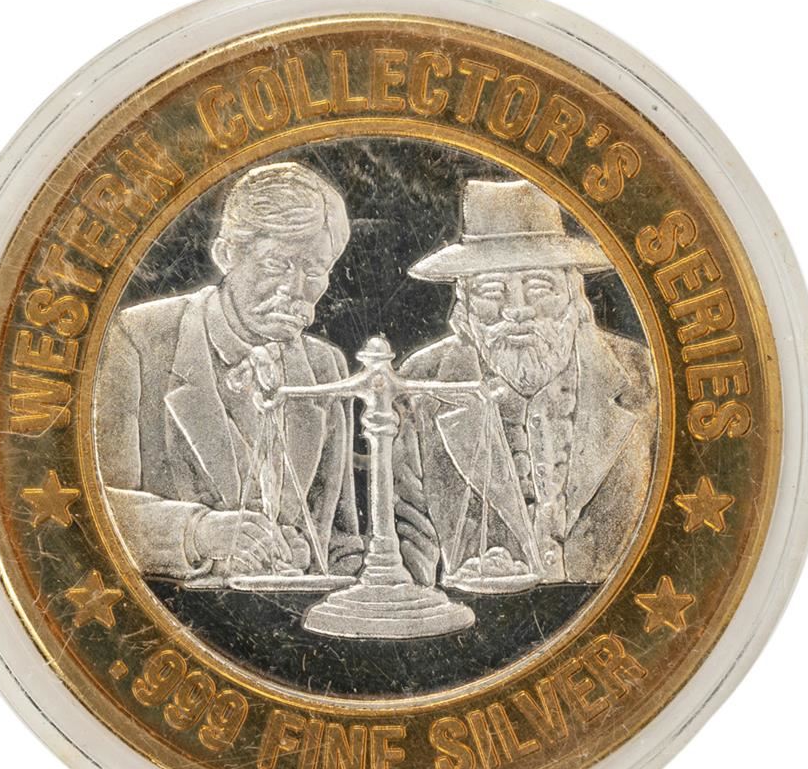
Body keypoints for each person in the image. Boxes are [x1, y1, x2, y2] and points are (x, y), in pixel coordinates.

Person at [95, 162, 363, 582]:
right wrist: (198, 533)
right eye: (276, 265)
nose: (294, 289)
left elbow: (342, 541)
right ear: (226, 255)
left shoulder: (324, 366)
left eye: (314, 270)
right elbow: (93, 502)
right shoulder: (140, 338)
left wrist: (312, 556)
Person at [394, 179, 655, 586]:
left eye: (538, 287)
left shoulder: (641, 374)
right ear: (464, 307)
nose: (516, 310)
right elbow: (407, 536)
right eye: (492, 290)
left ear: (575, 296)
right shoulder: (422, 383)